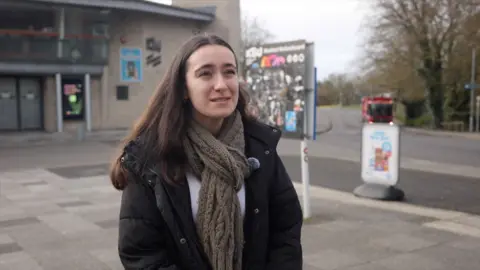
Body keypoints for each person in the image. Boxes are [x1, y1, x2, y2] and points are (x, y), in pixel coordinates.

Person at [109, 33, 303, 270]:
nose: (221, 85)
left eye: (229, 72)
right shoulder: (150, 158)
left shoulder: (260, 148)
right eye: (205, 73)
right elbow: (141, 253)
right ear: (183, 89)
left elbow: (286, 230)